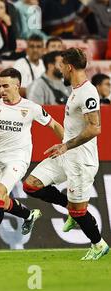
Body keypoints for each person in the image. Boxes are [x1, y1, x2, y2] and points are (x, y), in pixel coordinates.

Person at [0, 68, 64, 257]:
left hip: (18, 159)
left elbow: (54, 124)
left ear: (17, 86)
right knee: (0, 202)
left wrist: (66, 146)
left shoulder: (31, 108)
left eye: (5, 86)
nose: (1, 90)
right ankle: (29, 215)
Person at [23, 48, 109, 260]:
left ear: (69, 67)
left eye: (61, 65)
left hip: (81, 160)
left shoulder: (88, 92)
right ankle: (70, 208)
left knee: (80, 210)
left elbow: (95, 128)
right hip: (66, 156)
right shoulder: (75, 90)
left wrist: (66, 145)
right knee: (31, 184)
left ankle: (99, 245)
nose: (59, 69)